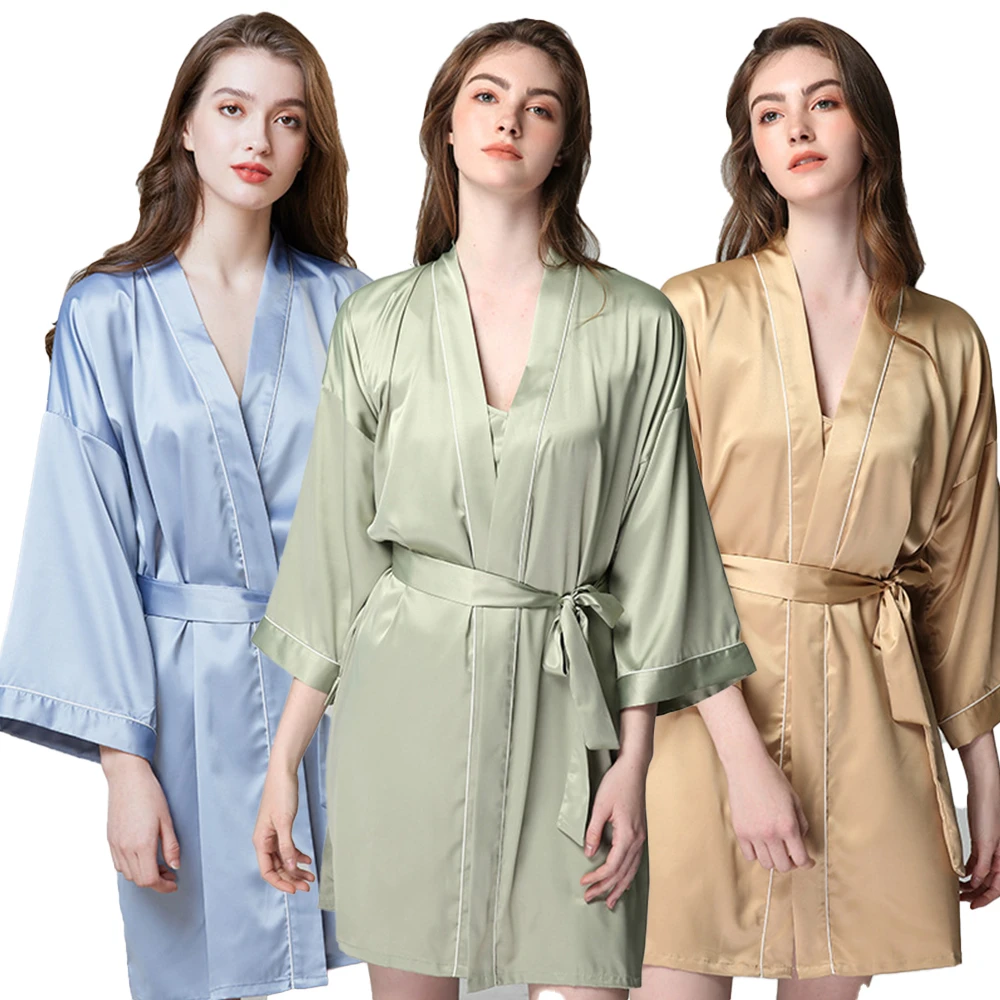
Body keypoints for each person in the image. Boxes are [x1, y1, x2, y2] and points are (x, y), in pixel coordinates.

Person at [249, 17, 756, 1000]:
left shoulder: (636, 325)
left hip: (573, 717)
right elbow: (332, 560)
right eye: (485, 96)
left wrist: (633, 761)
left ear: (566, 144)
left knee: (587, 969)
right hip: (403, 712)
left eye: (540, 107)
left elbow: (662, 558)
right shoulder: (376, 323)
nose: (509, 121)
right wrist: (282, 764)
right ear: (445, 124)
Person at [0, 13, 367, 1000]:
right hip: (180, 709)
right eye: (233, 109)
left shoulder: (352, 307)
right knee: (201, 975)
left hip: (346, 696)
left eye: (288, 120)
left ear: (310, 146)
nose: (259, 140)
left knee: (410, 960)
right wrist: (124, 767)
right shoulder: (106, 312)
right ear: (186, 128)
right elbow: (81, 541)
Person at [639, 17, 1000, 1000]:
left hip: (868, 723)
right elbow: (653, 550)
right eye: (769, 114)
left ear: (868, 125)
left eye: (822, 103)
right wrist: (743, 760)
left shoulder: (948, 343)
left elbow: (960, 572)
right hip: (699, 713)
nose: (795, 129)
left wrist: (982, 766)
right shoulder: (692, 311)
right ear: (750, 148)